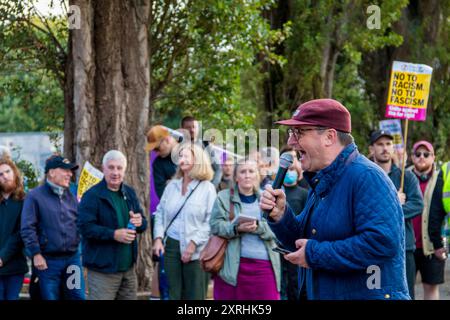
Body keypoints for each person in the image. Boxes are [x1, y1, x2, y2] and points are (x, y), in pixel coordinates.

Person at [260, 98, 410, 300]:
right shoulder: (322, 179)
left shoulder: (367, 177)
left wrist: (314, 254)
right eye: (291, 133)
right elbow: (303, 241)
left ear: (329, 136)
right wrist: (281, 216)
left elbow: (381, 243)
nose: (291, 142)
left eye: (299, 132)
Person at [78, 150, 147, 300]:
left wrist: (140, 221)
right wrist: (113, 234)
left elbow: (143, 222)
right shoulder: (92, 196)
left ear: (124, 170)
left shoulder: (129, 192)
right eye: (111, 167)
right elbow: (85, 227)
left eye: (119, 168)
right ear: (103, 169)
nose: (115, 172)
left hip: (128, 270)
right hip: (102, 271)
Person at [152, 143, 216, 300]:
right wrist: (158, 238)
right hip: (170, 247)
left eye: (187, 155)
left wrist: (193, 244)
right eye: (180, 156)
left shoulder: (207, 188)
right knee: (172, 295)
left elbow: (211, 222)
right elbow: (160, 213)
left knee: (194, 296)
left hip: (197, 250)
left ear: (198, 160)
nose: (182, 159)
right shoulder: (172, 186)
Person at [210, 157, 280, 300]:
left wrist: (258, 227)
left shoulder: (268, 198)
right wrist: (236, 228)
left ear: (257, 175)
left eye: (251, 171)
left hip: (264, 266)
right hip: (233, 265)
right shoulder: (223, 197)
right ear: (236, 176)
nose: (247, 175)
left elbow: (279, 229)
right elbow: (215, 226)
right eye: (242, 171)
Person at [369, 130, 423, 299]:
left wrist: (394, 209)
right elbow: (364, 210)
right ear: (371, 149)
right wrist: (394, 203)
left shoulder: (406, 177)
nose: (385, 148)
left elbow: (417, 205)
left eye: (388, 144)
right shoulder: (365, 176)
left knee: (404, 294)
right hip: (372, 248)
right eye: (380, 144)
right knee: (375, 293)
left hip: (403, 247)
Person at [21, 155, 84, 300]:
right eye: (65, 170)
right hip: (47, 263)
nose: (70, 174)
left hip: (72, 260)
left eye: (71, 171)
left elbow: (81, 223)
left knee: (76, 296)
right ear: (51, 172)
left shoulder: (74, 195)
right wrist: (36, 254)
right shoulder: (34, 196)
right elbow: (27, 228)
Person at [410, 140, 447, 300]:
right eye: (418, 154)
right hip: (407, 247)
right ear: (412, 157)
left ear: (433, 157)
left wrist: (441, 244)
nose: (422, 157)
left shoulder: (442, 178)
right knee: (405, 289)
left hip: (432, 246)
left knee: (431, 290)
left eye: (426, 154)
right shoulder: (404, 177)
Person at [278, 146, 308, 300]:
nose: (290, 168)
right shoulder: (277, 190)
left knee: (295, 281)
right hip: (279, 245)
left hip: (298, 244)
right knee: (281, 281)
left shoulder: (305, 190)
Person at [0, 158, 28, 300]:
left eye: (7, 171)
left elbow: (20, 233)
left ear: (14, 173)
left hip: (14, 266)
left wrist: (2, 257)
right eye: (0, 174)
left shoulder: (25, 201)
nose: (5, 176)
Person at [181, 116, 222, 188]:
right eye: (188, 127)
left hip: (203, 187)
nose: (192, 130)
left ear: (198, 128)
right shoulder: (177, 146)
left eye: (194, 127)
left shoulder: (206, 145)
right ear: (182, 129)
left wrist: (211, 187)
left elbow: (218, 169)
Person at [146, 125, 178, 199]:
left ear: (167, 140)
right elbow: (162, 195)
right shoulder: (158, 164)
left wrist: (171, 182)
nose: (156, 153)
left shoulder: (190, 151)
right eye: (153, 150)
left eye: (157, 148)